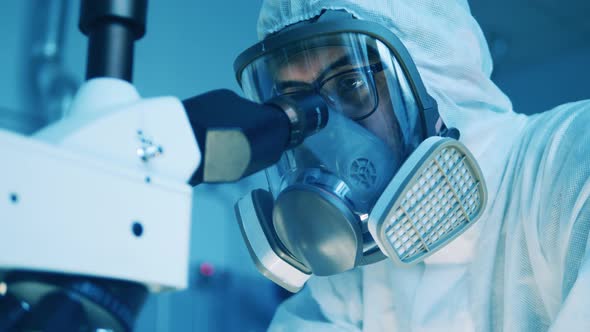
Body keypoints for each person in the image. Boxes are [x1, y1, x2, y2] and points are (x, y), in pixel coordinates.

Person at [234, 0, 590, 330]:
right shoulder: (349, 279)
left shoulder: (570, 167)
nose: (323, 138)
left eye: (352, 83)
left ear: (440, 80)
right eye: (296, 103)